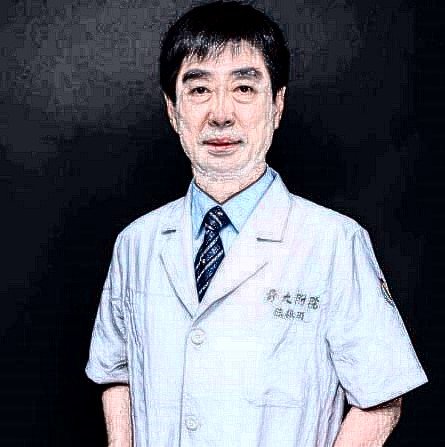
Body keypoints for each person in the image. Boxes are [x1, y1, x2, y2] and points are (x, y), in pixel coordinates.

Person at [85, 2, 428, 446]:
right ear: (172, 110)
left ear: (277, 105)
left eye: (244, 88)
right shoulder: (136, 243)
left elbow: (381, 396)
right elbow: (116, 372)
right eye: (199, 89)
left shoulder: (334, 242)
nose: (221, 113)